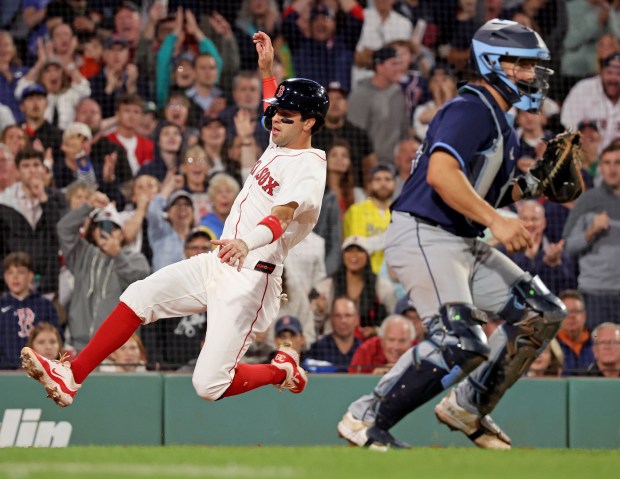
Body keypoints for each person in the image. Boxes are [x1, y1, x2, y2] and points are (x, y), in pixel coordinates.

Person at [21, 31, 330, 409]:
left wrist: (245, 242)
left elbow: (281, 217)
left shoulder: (310, 169)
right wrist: (266, 70)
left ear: (310, 124)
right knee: (139, 296)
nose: (274, 120)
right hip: (220, 261)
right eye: (275, 113)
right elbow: (272, 106)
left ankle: (282, 371)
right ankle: (71, 376)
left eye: (286, 116)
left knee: (208, 384)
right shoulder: (280, 139)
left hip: (253, 275)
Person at [336, 19, 567, 451]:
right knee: (459, 342)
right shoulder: (472, 108)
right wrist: (497, 222)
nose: (532, 75)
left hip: (457, 239)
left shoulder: (498, 119)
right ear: (494, 63)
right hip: (426, 233)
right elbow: (443, 175)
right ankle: (365, 418)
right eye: (523, 65)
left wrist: (534, 185)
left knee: (541, 313)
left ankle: (469, 405)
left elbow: (485, 192)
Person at [56, 195, 151, 352]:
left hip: (119, 349)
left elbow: (140, 285)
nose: (107, 232)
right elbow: (64, 228)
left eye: (113, 228)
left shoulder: (136, 258)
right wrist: (88, 206)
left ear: (121, 234)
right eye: (101, 227)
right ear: (93, 233)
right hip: (81, 345)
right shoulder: (83, 254)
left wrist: (118, 255)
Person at [563, 142, 620, 329]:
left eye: (617, 163)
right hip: (595, 294)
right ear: (601, 166)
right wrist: (591, 232)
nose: (612, 169)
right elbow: (568, 247)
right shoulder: (588, 201)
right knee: (599, 347)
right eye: (607, 163)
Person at [0, 148, 67, 296]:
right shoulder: (4, 202)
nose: (32, 171)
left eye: (36, 165)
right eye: (26, 166)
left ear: (44, 169)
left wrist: (44, 199)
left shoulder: (57, 199)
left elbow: (61, 232)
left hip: (49, 284)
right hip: (13, 288)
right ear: (17, 171)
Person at [0, 252, 61, 369]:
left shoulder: (45, 305)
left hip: (41, 371)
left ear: (30, 275)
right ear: (5, 277)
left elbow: (58, 339)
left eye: (21, 272)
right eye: (10, 273)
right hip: (5, 371)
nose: (15, 277)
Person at [343, 164, 397, 274]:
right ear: (369, 184)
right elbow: (360, 245)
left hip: (397, 277)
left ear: (395, 184)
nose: (383, 183)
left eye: (388, 179)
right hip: (366, 276)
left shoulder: (402, 212)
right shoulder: (356, 211)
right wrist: (395, 236)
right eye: (378, 179)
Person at [306, 296, 363, 372]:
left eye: (348, 315)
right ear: (331, 319)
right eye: (338, 316)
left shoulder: (364, 350)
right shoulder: (317, 349)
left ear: (356, 319)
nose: (343, 321)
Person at [348, 314, 415, 374]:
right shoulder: (366, 351)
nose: (396, 347)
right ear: (382, 340)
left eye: (402, 341)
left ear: (411, 342)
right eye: (391, 340)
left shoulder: (419, 353)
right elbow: (351, 384)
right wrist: (373, 379)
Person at [555, 290, 594, 376]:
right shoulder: (550, 344)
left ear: (584, 315)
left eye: (576, 311)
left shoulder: (597, 342)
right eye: (566, 312)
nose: (571, 316)